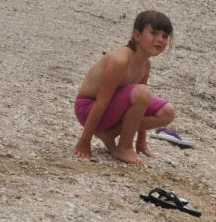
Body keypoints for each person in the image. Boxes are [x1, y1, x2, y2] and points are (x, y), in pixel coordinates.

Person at [73, 11, 176, 164]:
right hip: (89, 109)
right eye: (154, 33)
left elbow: (143, 106)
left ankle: (109, 134)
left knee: (167, 112)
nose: (160, 40)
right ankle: (124, 147)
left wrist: (141, 142)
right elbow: (102, 101)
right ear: (137, 35)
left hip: (111, 109)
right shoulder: (120, 60)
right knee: (142, 92)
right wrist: (84, 140)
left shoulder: (145, 64)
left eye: (165, 36)